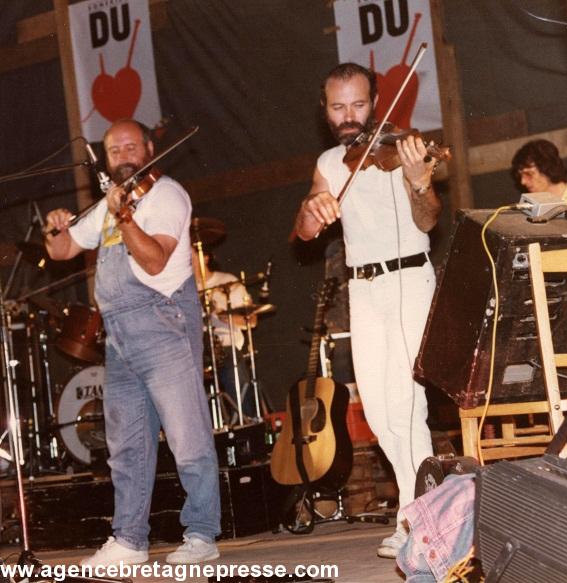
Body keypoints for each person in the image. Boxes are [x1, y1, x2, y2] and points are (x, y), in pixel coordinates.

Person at [45, 119, 221, 566]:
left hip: (161, 322)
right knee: (126, 443)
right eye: (113, 150)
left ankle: (202, 533)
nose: (122, 156)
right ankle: (129, 540)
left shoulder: (166, 195)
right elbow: (62, 251)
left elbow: (155, 260)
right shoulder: (109, 203)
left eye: (130, 147)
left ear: (148, 150)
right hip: (119, 334)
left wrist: (123, 216)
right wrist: (55, 227)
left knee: (186, 436)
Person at [293, 63, 441, 559]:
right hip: (363, 289)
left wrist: (418, 182)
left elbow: (429, 219)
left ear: (375, 103)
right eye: (339, 107)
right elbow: (306, 230)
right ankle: (421, 511)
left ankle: (418, 520)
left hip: (408, 278)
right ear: (325, 110)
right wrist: (311, 211)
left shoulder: (404, 150)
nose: (349, 116)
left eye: (358, 104)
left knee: (407, 405)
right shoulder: (331, 163)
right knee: (378, 412)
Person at [191, 247, 258, 420]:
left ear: (205, 257)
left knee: (231, 360)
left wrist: (220, 314)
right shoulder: (184, 289)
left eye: (190, 254)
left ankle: (245, 420)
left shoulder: (228, 282)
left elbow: (250, 321)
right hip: (197, 349)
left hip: (226, 346)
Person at [511, 139, 567, 207]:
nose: (523, 181)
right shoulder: (531, 208)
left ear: (547, 168)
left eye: (528, 174)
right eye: (520, 175)